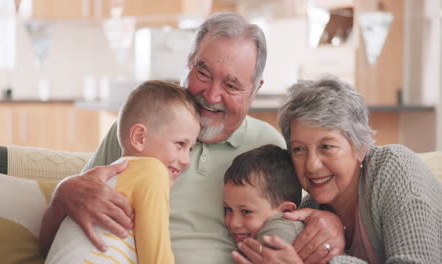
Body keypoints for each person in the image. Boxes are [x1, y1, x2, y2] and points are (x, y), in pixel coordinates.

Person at [39, 12, 345, 264]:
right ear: (187, 64)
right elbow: (61, 236)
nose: (211, 95)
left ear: (254, 90)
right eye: (203, 72)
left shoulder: (271, 145)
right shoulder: (143, 128)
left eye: (232, 85)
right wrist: (61, 196)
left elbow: (299, 214)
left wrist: (331, 223)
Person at [234, 75, 442, 263]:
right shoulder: (308, 210)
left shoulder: (393, 170)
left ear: (360, 147)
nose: (312, 165)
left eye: (326, 147)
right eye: (299, 149)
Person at [45, 80, 200, 264]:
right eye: (180, 144)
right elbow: (157, 260)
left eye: (190, 149)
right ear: (139, 137)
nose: (186, 161)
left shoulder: (109, 179)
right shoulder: (152, 171)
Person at [223, 144, 304, 254]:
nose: (233, 223)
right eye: (228, 209)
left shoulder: (282, 229)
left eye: (246, 211)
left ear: (286, 211)